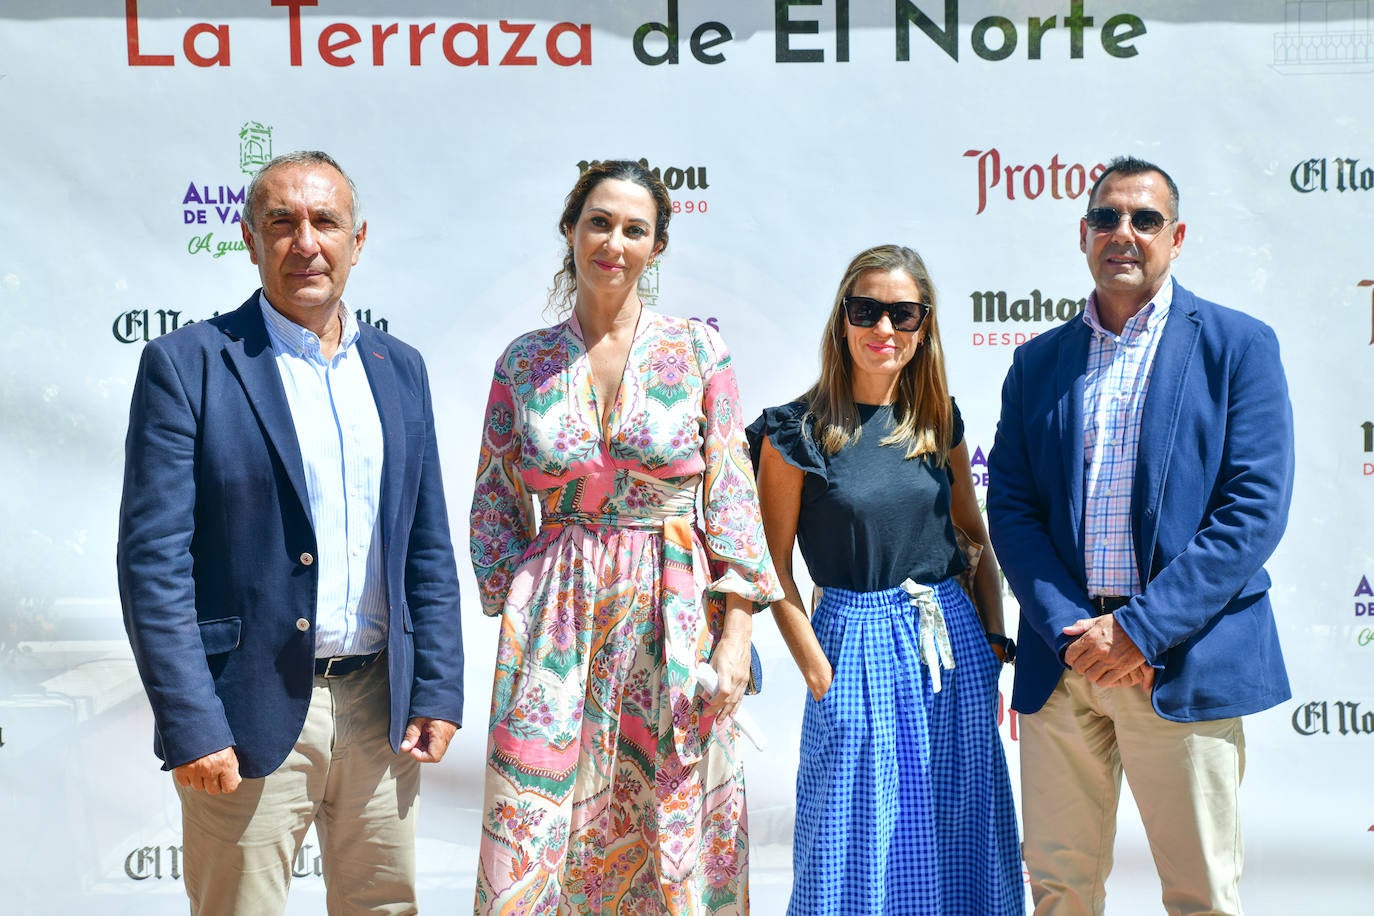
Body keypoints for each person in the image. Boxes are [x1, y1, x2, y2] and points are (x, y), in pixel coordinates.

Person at [116, 150, 464, 915]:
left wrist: (436, 686)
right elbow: (153, 563)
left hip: (381, 705)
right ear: (249, 239)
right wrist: (191, 721)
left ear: (358, 238)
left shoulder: (399, 368)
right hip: (245, 711)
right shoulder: (190, 365)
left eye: (325, 221)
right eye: (282, 222)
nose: (305, 242)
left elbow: (427, 545)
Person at [468, 159, 782, 914]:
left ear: (657, 246)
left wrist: (733, 634)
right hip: (557, 626)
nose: (614, 241)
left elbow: (732, 498)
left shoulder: (700, 352)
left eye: (634, 229)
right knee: (535, 834)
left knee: (674, 827)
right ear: (571, 231)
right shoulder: (524, 361)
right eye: (599, 222)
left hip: (674, 614)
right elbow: (493, 505)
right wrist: (525, 594)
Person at [987, 156, 1295, 916]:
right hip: (1064, 666)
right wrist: (1071, 630)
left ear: (1177, 236)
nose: (1124, 233)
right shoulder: (1036, 363)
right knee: (1060, 894)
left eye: (1145, 219)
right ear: (1083, 234)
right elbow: (1013, 509)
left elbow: (1253, 507)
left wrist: (1140, 631)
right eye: (1107, 218)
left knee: (1199, 897)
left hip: (1178, 662)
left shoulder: (1238, 346)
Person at [747, 244, 1023, 915]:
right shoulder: (794, 433)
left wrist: (992, 640)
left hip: (948, 646)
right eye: (866, 310)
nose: (883, 329)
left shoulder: (938, 421)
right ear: (842, 318)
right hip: (851, 644)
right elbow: (770, 567)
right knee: (845, 844)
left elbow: (974, 538)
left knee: (962, 830)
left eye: (903, 314)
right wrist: (816, 666)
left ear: (923, 326)